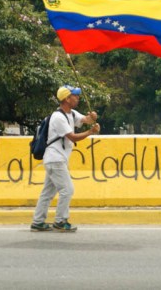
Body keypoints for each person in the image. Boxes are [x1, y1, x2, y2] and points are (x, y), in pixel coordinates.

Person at [31, 85, 100, 232]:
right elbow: (72, 137)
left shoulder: (71, 113)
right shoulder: (58, 117)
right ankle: (60, 221)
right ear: (67, 99)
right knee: (67, 190)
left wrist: (92, 117)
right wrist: (90, 132)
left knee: (47, 193)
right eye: (75, 96)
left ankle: (38, 222)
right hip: (55, 159)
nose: (78, 98)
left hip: (55, 159)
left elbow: (85, 119)